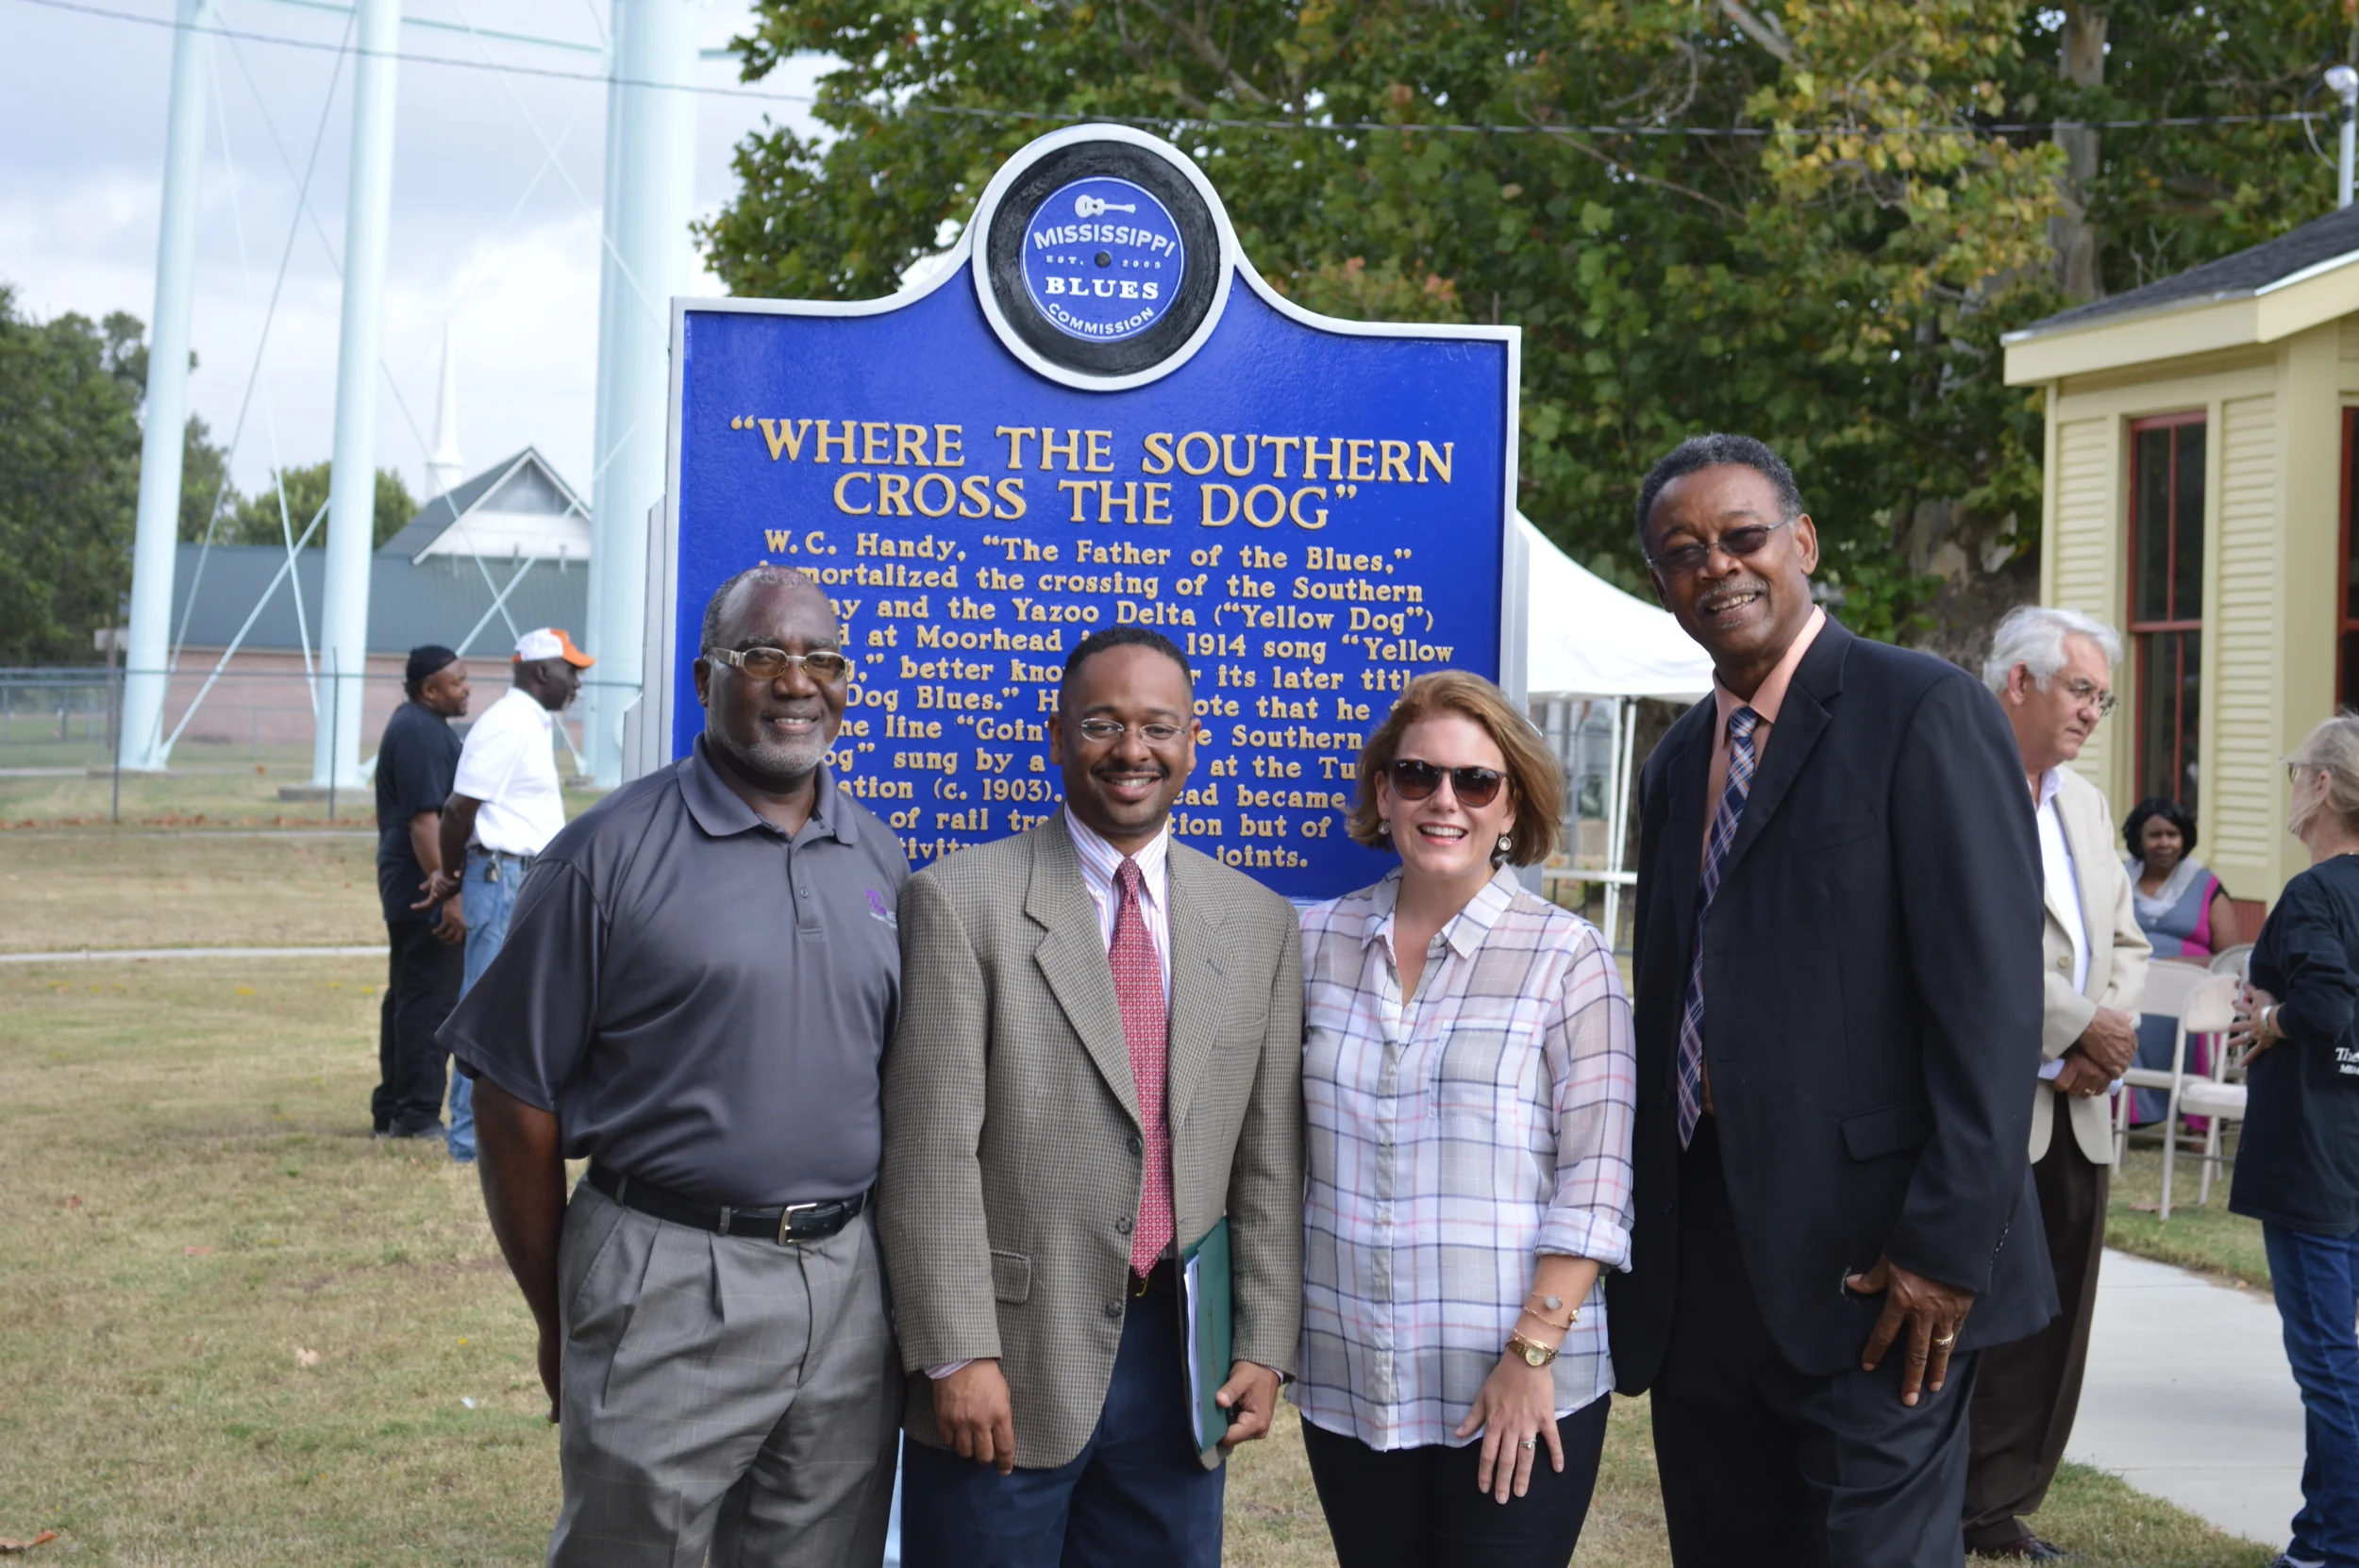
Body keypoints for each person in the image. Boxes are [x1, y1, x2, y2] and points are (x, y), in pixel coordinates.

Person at [1606, 433, 2054, 1568]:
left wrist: (1946, 1249)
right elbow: (1670, 1006)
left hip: (1882, 1277)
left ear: (1800, 542)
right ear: (1660, 584)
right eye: (1682, 552)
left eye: (1741, 537)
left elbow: (1990, 1005)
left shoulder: (1922, 711)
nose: (1716, 567)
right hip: (1703, 1278)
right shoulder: (1674, 765)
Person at [442, 568, 906, 1566]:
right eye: (762, 657)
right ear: (706, 678)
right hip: (667, 1275)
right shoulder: (603, 857)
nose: (795, 681)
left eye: (821, 659)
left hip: (849, 1285)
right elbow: (514, 1097)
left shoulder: (876, 856)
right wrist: (556, 1310)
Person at [880, 626, 1303, 1568]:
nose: (1131, 751)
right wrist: (955, 1353)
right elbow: (930, 1151)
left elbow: (1267, 1161)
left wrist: (1264, 1343)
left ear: (1195, 740)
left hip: (1181, 1362)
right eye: (1102, 724)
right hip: (1008, 1361)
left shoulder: (1259, 923)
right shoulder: (958, 902)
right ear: (1057, 734)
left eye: (1158, 726)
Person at [1293, 670, 1635, 1568]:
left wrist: (1529, 1359)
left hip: (1514, 1386)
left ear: (1511, 806)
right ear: (1384, 793)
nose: (1444, 800)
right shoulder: (1313, 945)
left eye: (1474, 782)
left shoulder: (1570, 960)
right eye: (1418, 776)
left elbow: (1596, 1184)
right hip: (1351, 1382)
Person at [1965, 606, 2150, 1561]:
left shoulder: (2080, 800)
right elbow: (1968, 945)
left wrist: (2099, 1040)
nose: (2092, 713)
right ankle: (1940, 1498)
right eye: (2080, 690)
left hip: (2077, 1111)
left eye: (2102, 699)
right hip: (1986, 1108)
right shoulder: (1955, 780)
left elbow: (2127, 941)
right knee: (1967, 1323)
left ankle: (1996, 1509)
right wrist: (2077, 1028)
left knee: (2053, 1330)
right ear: (2018, 683)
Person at [2224, 714, 2359, 1568]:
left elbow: (2326, 1012)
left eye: (2292, 772)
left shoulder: (2315, 893)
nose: (2289, 788)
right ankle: (2320, 1536)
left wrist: (2272, 1016)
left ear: (2320, 785)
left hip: (2314, 1157)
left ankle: (2337, 1545)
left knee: (2328, 1367)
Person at [417, 626, 589, 1164]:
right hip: (501, 877)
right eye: (570, 670)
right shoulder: (509, 725)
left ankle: (484, 1133)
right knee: (486, 1013)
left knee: (512, 1012)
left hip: (521, 877)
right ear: (541, 672)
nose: (577, 682)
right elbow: (457, 810)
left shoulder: (529, 723)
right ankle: (468, 1141)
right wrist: (448, 878)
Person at [370, 644, 470, 1142]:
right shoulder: (420, 734)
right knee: (430, 1000)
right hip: (422, 887)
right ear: (429, 690)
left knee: (409, 997)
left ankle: (394, 1107)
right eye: (457, 681)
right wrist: (447, 891)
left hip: (411, 882)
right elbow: (424, 822)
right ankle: (415, 1115)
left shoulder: (418, 726)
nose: (466, 688)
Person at [2122, 796, 2243, 1125]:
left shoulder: (2206, 886)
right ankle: (2133, 1115)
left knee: (2195, 1022)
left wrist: (2181, 966)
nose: (2164, 843)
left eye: (2172, 834)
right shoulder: (2117, 879)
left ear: (2184, 838)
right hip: (2132, 990)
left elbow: (2230, 958)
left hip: (2190, 995)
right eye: (2154, 835)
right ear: (2138, 840)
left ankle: (2196, 1117)